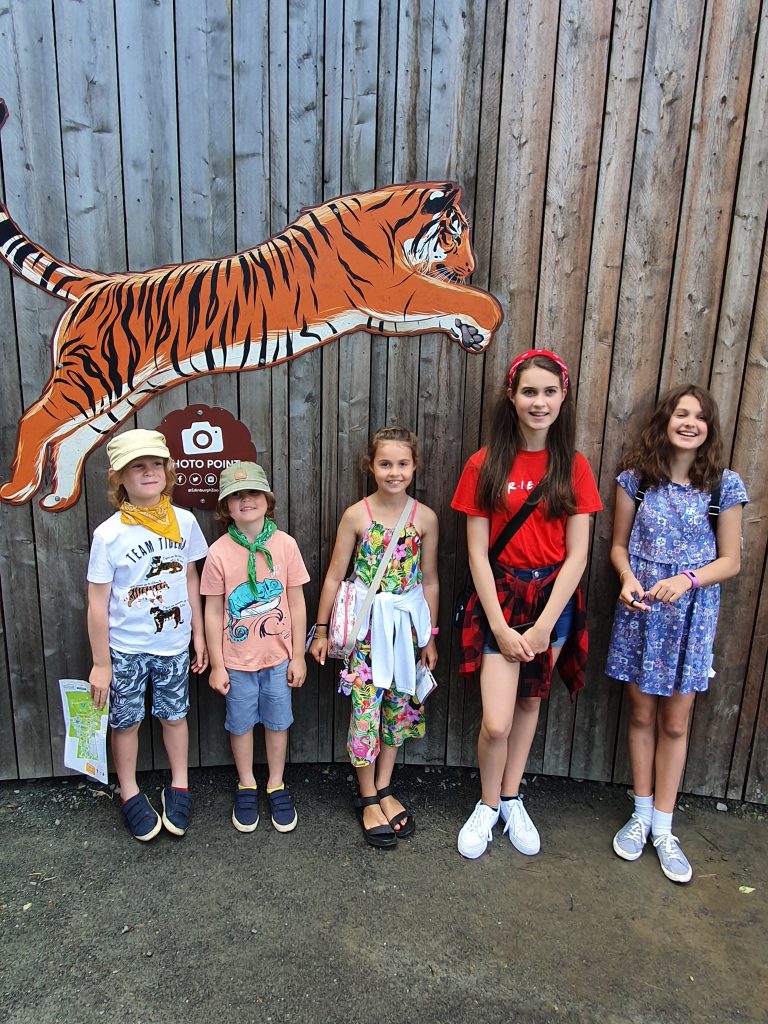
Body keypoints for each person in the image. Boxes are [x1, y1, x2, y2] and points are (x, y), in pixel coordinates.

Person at [452, 350, 602, 859]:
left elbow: (578, 555)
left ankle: (512, 797)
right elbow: (476, 551)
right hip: (499, 597)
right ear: (512, 397)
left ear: (563, 397)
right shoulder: (484, 463)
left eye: (549, 392)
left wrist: (542, 628)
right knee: (496, 721)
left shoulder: (574, 466)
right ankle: (487, 803)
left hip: (552, 602)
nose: (540, 402)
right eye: (530, 392)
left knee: (529, 704)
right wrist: (499, 625)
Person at [606, 384, 747, 883]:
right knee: (641, 714)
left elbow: (730, 561)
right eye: (681, 414)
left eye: (700, 417)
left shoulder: (724, 486)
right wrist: (627, 578)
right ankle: (640, 815)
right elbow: (618, 546)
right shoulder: (636, 481)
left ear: (709, 428)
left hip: (691, 616)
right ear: (665, 421)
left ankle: (665, 829)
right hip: (642, 611)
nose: (690, 423)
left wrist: (687, 579)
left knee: (674, 723)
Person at [309, 426, 439, 848]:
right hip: (366, 634)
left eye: (402, 464)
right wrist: (321, 629)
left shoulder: (425, 518)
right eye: (385, 463)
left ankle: (385, 787)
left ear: (415, 467)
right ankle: (367, 795)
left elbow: (430, 580)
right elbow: (335, 576)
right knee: (365, 710)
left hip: (406, 632)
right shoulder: (356, 515)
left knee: (397, 708)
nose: (394, 472)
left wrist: (429, 637)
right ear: (371, 467)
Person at [87, 429, 208, 841]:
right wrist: (101, 663)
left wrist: (199, 636)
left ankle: (179, 784)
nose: (149, 472)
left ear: (167, 471)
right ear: (119, 477)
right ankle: (129, 790)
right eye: (137, 466)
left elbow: (191, 579)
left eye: (156, 464)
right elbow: (97, 602)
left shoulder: (184, 521)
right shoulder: (109, 534)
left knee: (175, 716)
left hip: (173, 646)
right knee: (126, 722)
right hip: (126, 650)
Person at [201, 462, 309, 834]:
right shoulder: (218, 552)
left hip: (278, 658)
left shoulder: (286, 545)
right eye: (236, 496)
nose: (246, 501)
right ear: (226, 507)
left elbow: (296, 602)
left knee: (278, 722)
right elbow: (212, 610)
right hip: (236, 662)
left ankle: (276, 783)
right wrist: (217, 664)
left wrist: (298, 655)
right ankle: (246, 782)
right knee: (241, 723)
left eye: (253, 493)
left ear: (267, 499)